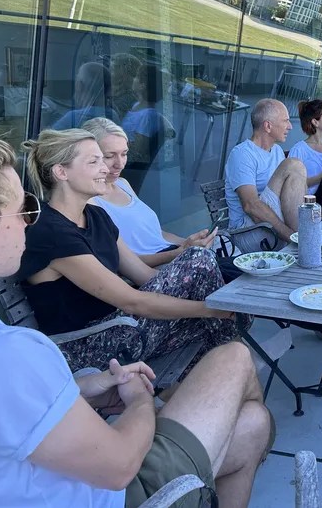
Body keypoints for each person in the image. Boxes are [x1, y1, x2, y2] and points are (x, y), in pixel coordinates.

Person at [0, 133, 271, 508]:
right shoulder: (1, 351)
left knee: (253, 424)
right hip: (117, 495)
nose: (27, 222)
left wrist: (78, 388)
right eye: (22, 210)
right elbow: (118, 467)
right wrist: (139, 400)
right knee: (235, 359)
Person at [18, 128, 249, 375]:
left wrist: (207, 299)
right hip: (87, 346)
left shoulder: (96, 216)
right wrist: (212, 307)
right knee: (201, 265)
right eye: (94, 161)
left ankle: (202, 385)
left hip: (123, 328)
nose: (105, 169)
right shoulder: (51, 232)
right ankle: (224, 373)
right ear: (61, 172)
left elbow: (144, 276)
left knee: (223, 318)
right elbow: (132, 300)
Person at [82, 118, 245, 284]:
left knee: (246, 265)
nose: (120, 164)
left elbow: (157, 233)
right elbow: (123, 263)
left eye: (124, 154)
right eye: (109, 156)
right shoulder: (89, 202)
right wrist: (179, 252)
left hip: (175, 254)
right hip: (159, 267)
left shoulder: (122, 184)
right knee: (242, 277)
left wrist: (191, 244)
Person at [224, 99, 307, 252]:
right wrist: (291, 236)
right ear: (268, 126)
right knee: (294, 165)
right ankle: (303, 241)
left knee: (295, 167)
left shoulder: (276, 151)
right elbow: (251, 206)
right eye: (286, 121)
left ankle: (304, 240)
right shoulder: (242, 154)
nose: (290, 126)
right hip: (248, 233)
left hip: (271, 226)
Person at [51, 61, 118, 130]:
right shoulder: (113, 115)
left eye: (78, 80)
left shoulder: (72, 117)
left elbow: (48, 139)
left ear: (79, 85)